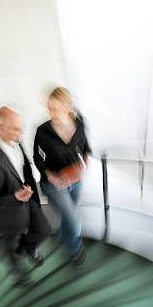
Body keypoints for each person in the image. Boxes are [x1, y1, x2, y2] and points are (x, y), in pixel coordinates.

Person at [0, 106, 50, 286]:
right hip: (6, 211)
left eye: (21, 126)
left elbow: (23, 165)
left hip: (26, 199)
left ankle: (27, 247)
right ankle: (18, 274)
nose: (22, 132)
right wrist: (15, 197)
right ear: (1, 128)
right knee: (9, 244)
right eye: (16, 128)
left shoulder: (16, 138)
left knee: (43, 229)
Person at [33, 87, 91, 266]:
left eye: (55, 109)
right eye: (49, 108)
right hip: (54, 185)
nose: (51, 113)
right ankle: (75, 251)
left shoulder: (80, 123)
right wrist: (52, 177)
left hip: (75, 181)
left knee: (69, 216)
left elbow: (86, 149)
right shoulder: (43, 132)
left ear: (68, 107)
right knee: (73, 218)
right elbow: (37, 158)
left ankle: (63, 235)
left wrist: (83, 169)